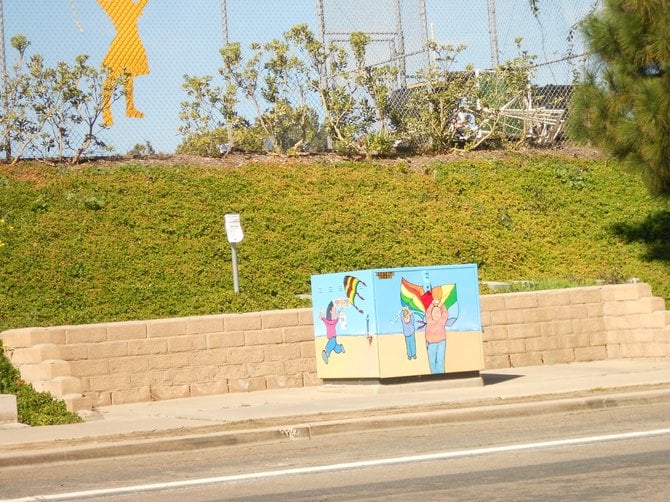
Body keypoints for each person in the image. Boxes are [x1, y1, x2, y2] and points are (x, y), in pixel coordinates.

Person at [98, 0, 150, 126]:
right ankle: (106, 111)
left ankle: (129, 108)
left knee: (128, 77)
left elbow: (137, 10)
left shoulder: (126, 5)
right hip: (122, 43)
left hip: (132, 42)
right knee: (112, 78)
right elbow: (136, 12)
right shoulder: (114, 6)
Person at [424, 300, 448, 373]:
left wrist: (442, 305)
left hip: (441, 342)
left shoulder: (442, 321)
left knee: (440, 359)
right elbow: (427, 312)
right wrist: (432, 304)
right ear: (431, 314)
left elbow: (445, 313)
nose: (437, 314)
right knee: (432, 361)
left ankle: (441, 373)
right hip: (431, 343)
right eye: (434, 312)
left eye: (438, 312)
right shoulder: (429, 320)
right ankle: (434, 374)